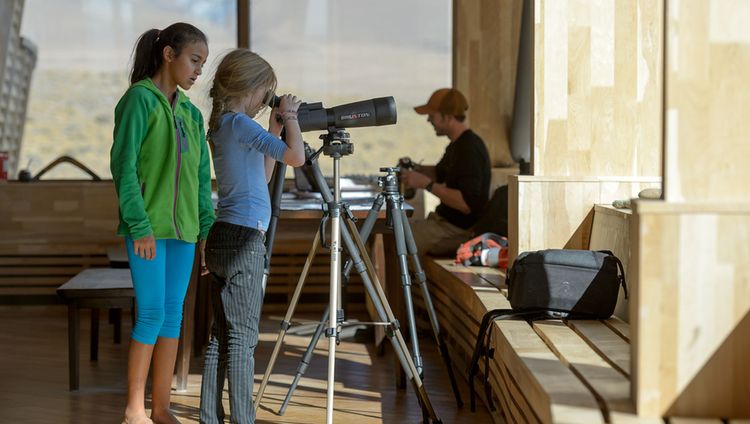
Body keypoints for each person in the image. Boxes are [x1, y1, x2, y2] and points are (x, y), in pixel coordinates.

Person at [110, 23, 215, 424]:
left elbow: (201, 182)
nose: (198, 72)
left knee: (173, 315)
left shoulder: (191, 113)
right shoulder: (138, 101)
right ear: (168, 54)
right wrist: (140, 226)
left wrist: (205, 232)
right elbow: (124, 167)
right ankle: (133, 409)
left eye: (202, 64)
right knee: (151, 314)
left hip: (184, 233)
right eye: (194, 61)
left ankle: (162, 408)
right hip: (148, 232)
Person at [199, 49, 305, 424]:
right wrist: (291, 116)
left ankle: (211, 417)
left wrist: (275, 129)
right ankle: (244, 419)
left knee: (220, 337)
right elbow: (297, 157)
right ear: (252, 87)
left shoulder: (224, 126)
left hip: (222, 236)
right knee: (243, 339)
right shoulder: (243, 126)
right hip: (245, 240)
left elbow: (261, 177)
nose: (267, 100)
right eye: (267, 92)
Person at [400, 88, 491, 256]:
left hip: (456, 230)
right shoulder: (456, 145)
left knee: (397, 240)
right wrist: (414, 169)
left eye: (432, 116)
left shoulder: (469, 149)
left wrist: (425, 184)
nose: (429, 120)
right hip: (441, 223)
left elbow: (466, 204)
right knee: (394, 232)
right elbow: (439, 173)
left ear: (448, 117)